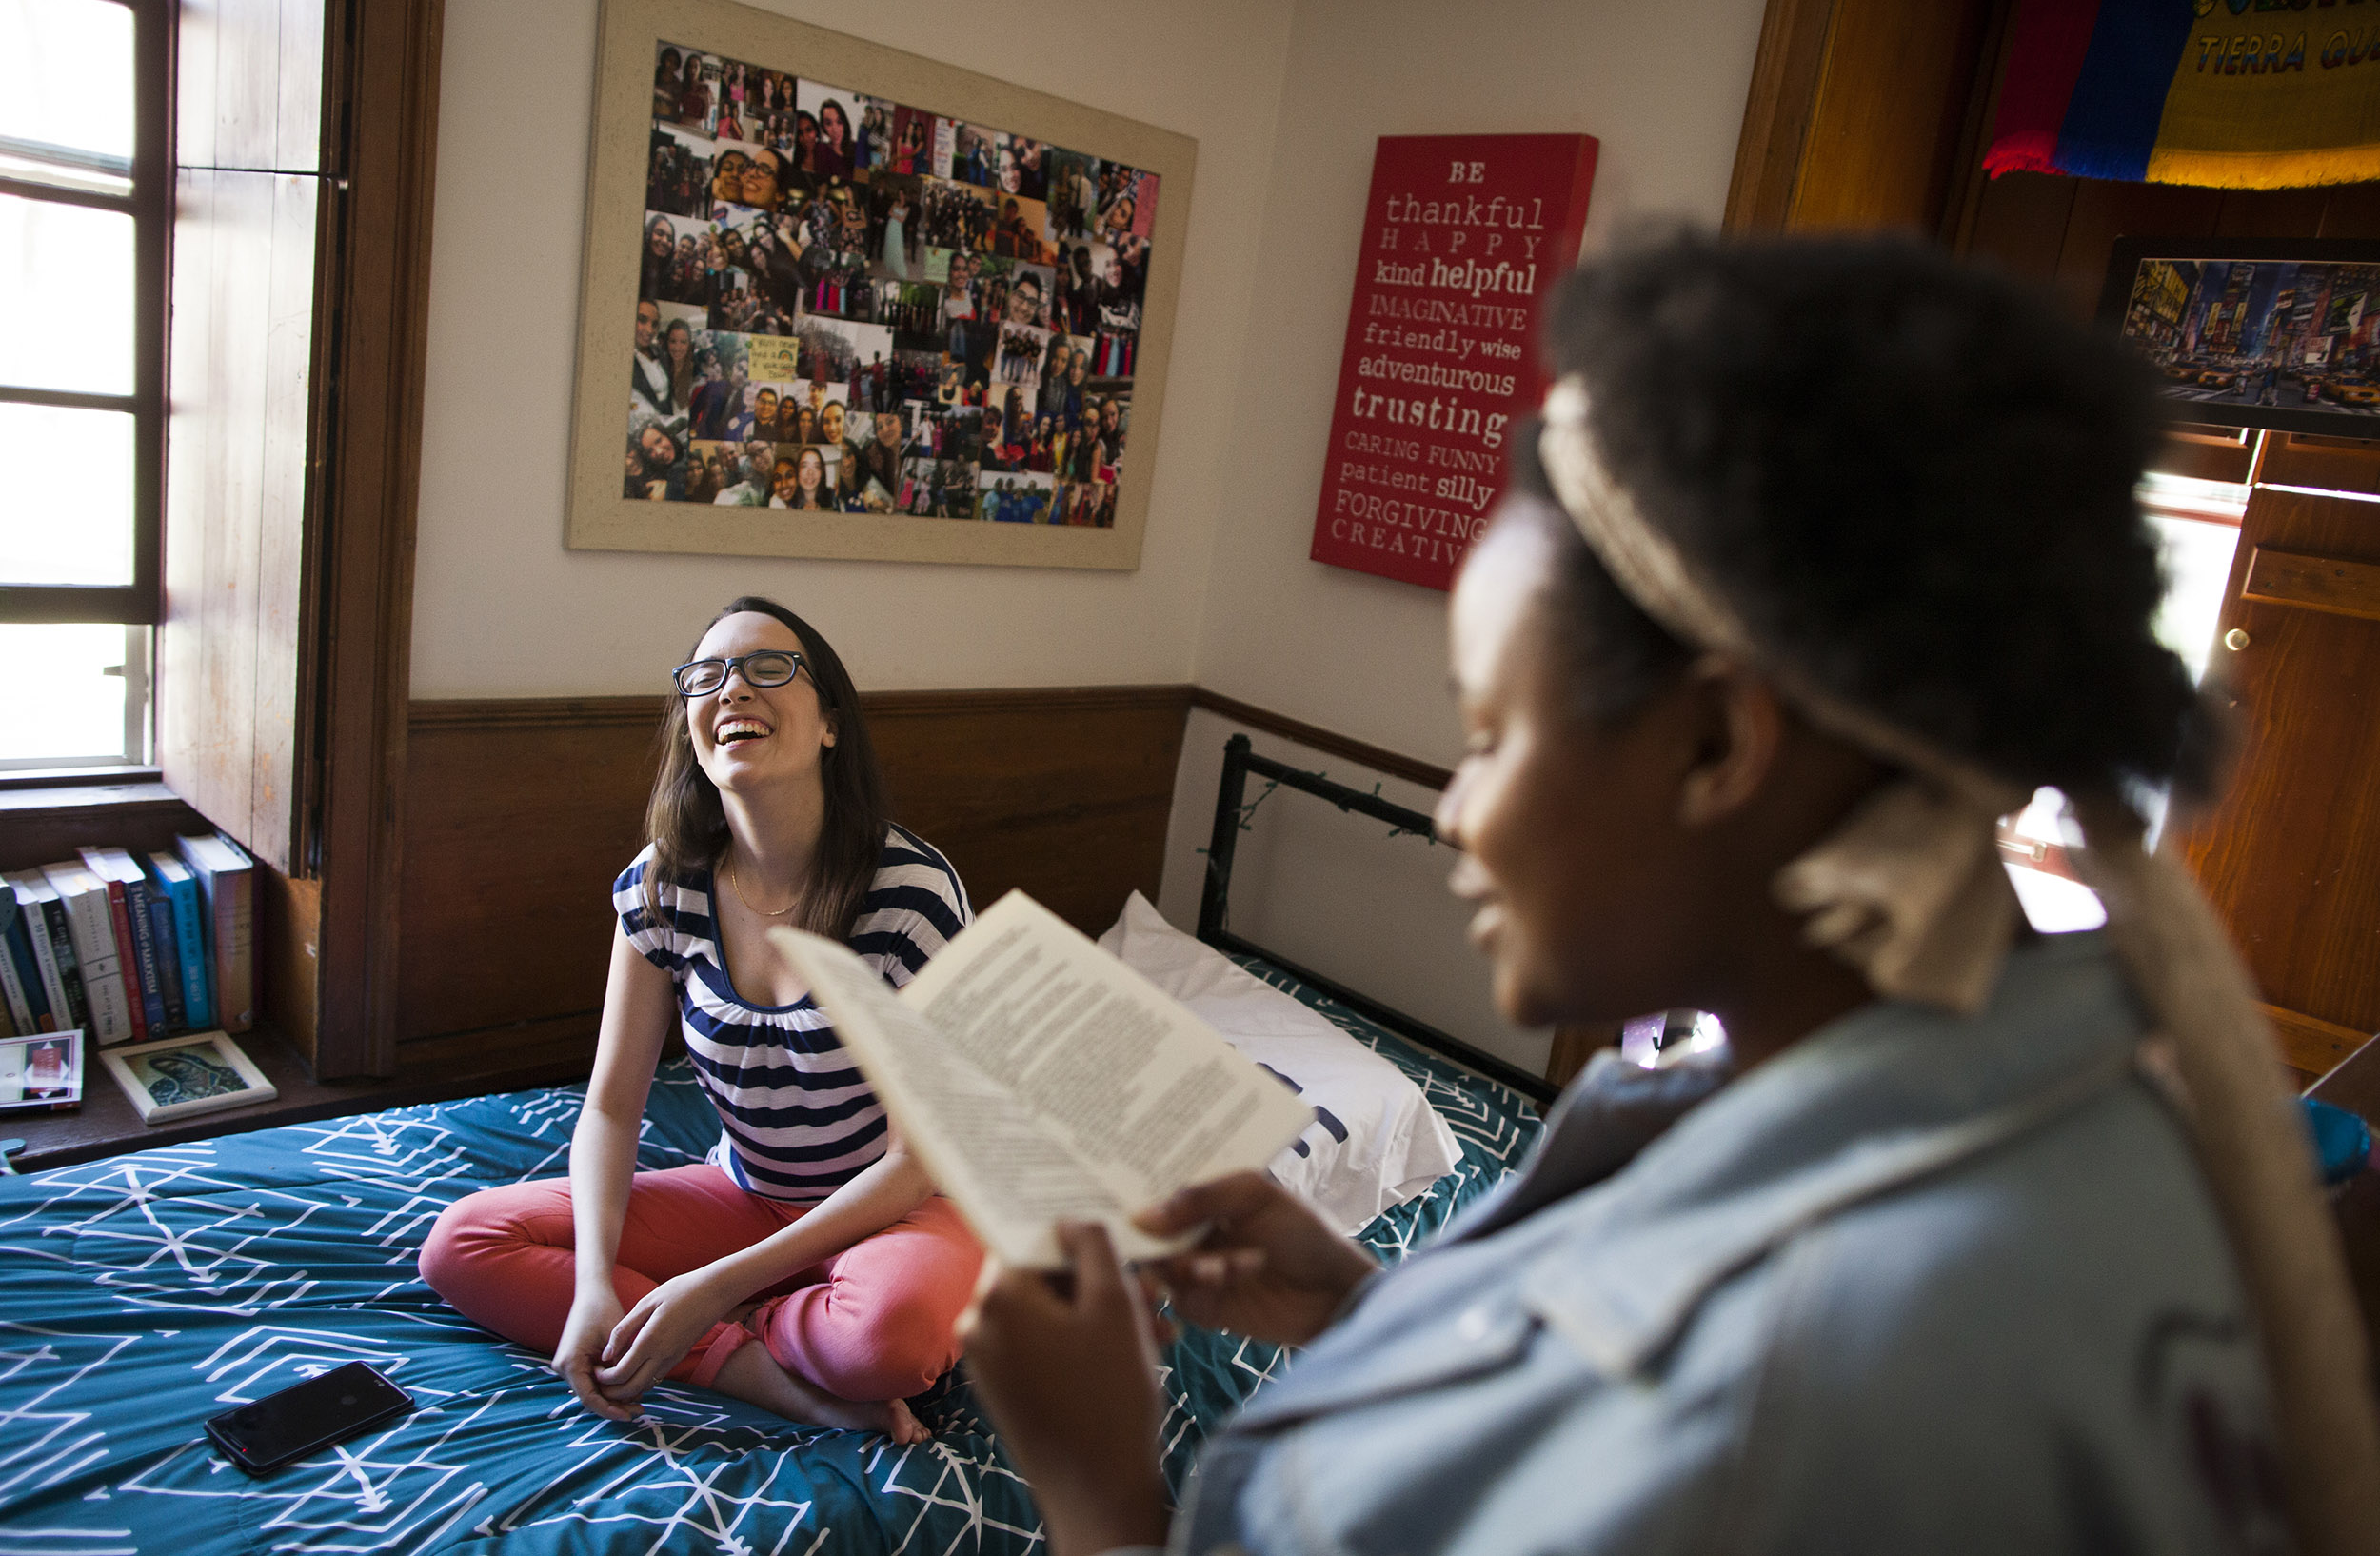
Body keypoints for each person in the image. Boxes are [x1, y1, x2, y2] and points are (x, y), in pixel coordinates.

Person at [958, 233, 2380, 1554]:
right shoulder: (2007, 1109)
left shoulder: (1834, 1368)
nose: (1456, 804)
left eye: (1494, 731)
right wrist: (1365, 1308)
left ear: (1717, 742)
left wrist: (1100, 1488)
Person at [422, 600, 979, 1444]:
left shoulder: (912, 896)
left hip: (902, 1206)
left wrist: (712, 1286)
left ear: (831, 722)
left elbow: (910, 1167)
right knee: (465, 1241)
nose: (731, 690)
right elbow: (612, 1105)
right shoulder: (662, 885)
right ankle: (762, 1369)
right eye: (707, 676)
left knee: (886, 1340)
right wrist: (596, 1286)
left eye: (767, 668)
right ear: (690, 725)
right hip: (748, 1191)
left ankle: (751, 1312)